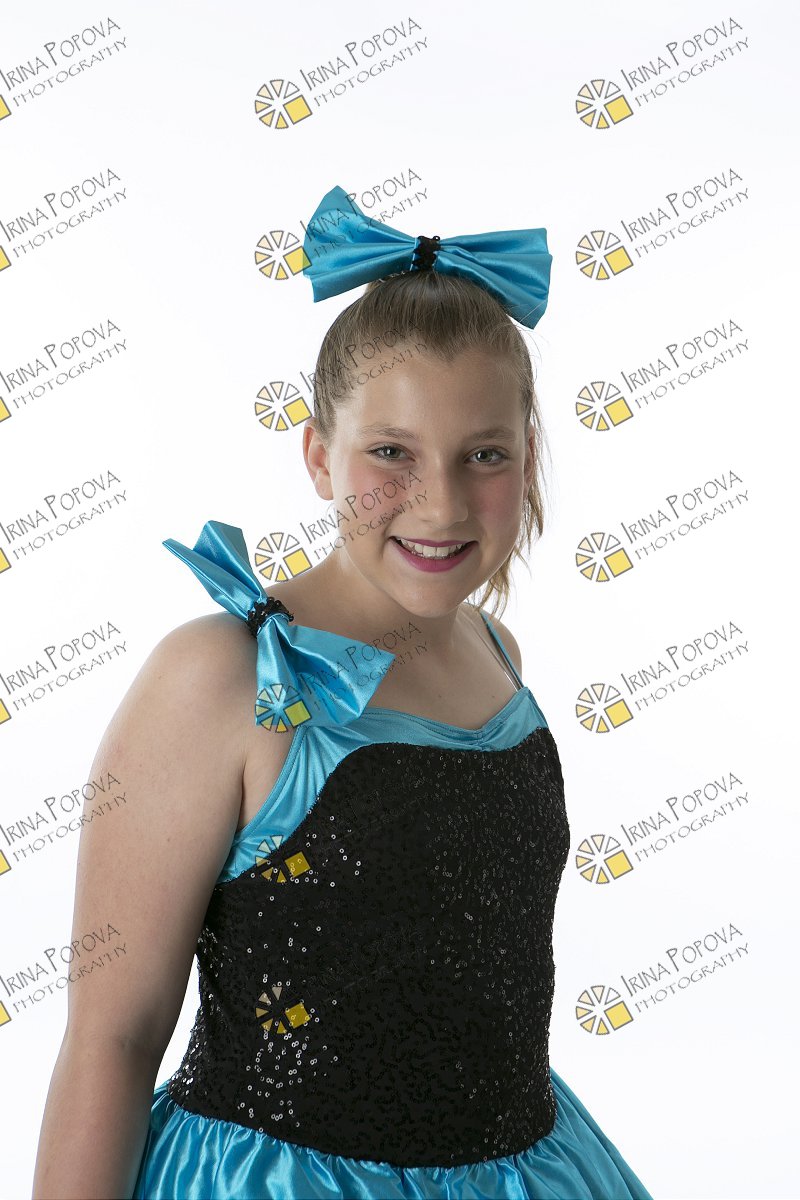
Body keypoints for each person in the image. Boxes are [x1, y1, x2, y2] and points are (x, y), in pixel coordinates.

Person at [32, 187, 655, 1200]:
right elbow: (113, 1036)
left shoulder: (495, 652)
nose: (440, 503)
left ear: (528, 456)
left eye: (484, 455)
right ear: (320, 456)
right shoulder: (223, 678)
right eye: (391, 454)